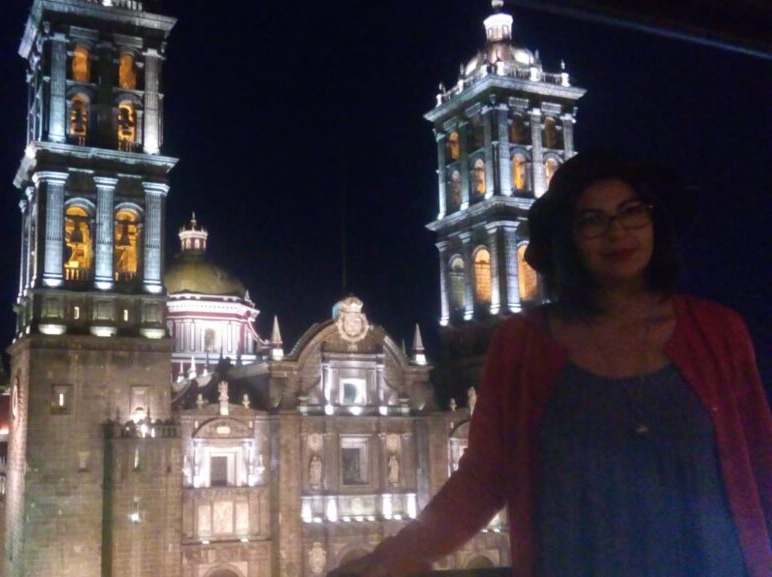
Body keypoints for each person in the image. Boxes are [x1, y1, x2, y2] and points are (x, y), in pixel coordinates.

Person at [330, 152, 772, 577]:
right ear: (568, 239)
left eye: (632, 211)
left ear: (656, 222)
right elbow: (484, 476)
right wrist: (394, 556)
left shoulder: (718, 333)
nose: (617, 232)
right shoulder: (523, 345)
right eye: (592, 220)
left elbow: (760, 460)